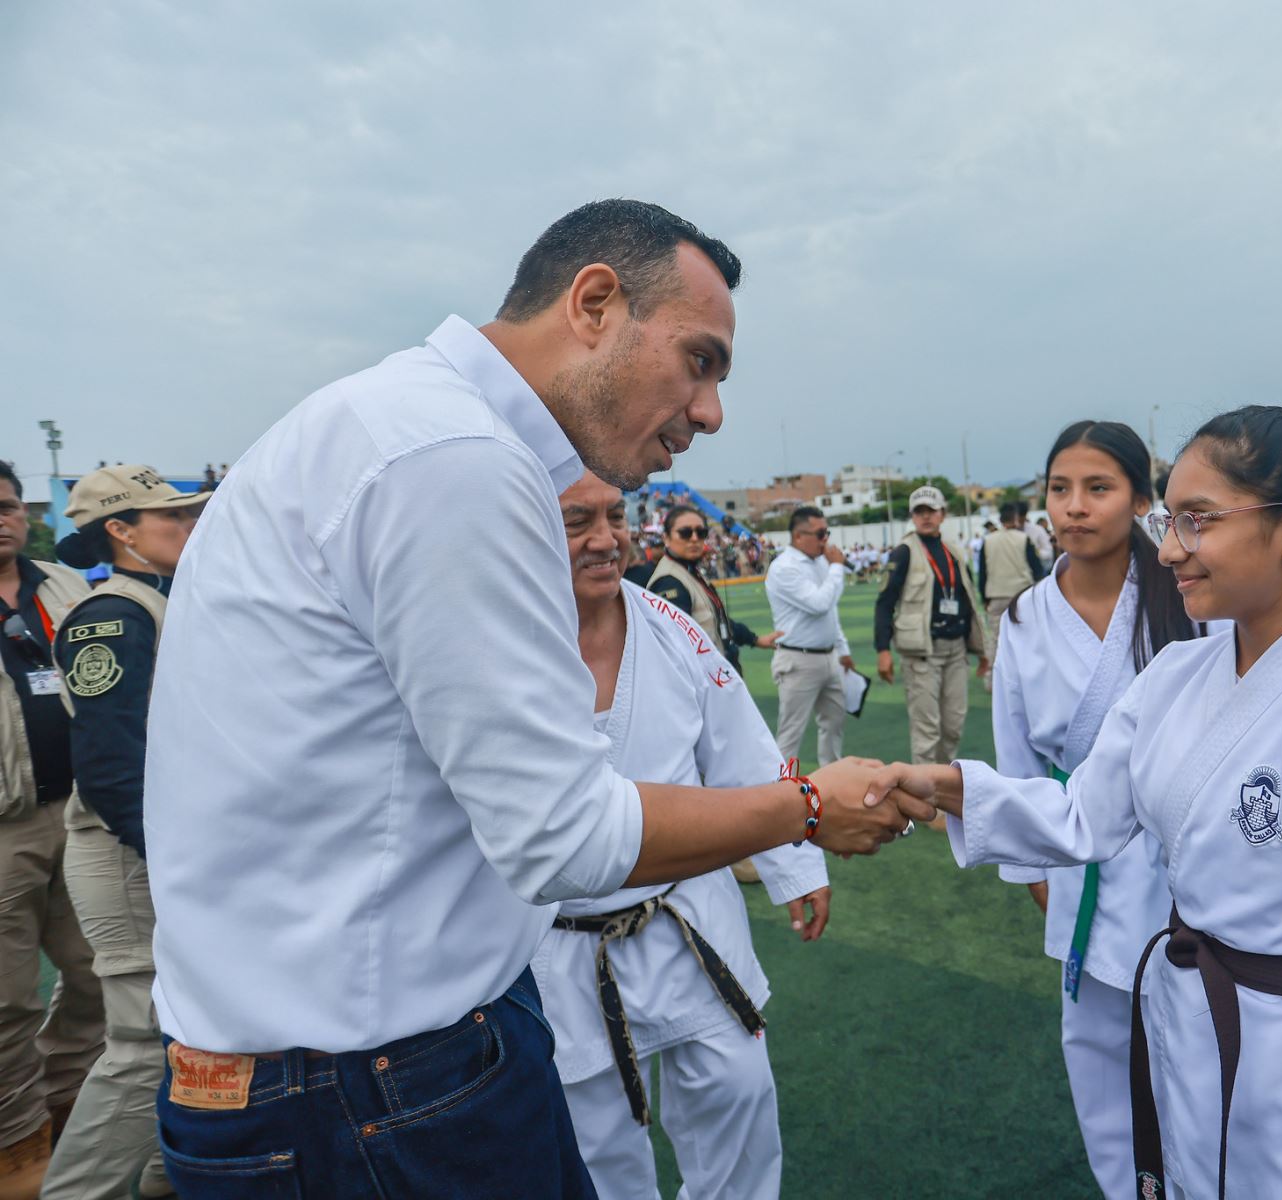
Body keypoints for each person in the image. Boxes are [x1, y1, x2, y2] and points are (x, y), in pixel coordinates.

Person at [141, 199, 924, 1198]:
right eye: (699, 360)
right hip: (370, 1085)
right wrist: (806, 808)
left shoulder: (394, 426)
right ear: (594, 302)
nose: (712, 410)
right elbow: (563, 837)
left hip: (354, 1058)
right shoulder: (449, 457)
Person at [877, 405, 1282, 1200]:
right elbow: (1085, 816)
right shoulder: (1176, 678)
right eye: (1169, 519)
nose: (1170, 547)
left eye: (1198, 520)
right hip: (1193, 1027)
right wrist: (947, 787)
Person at [536, 473, 827, 1199]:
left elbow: (743, 754)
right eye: (578, 521)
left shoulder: (673, 629)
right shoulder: (500, 645)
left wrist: (797, 867)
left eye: (614, 517)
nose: (606, 539)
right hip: (557, 942)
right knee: (596, 1145)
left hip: (688, 916)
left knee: (740, 1095)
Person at [989, 422, 1198, 1196]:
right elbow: (1016, 753)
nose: (1074, 507)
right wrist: (1029, 860)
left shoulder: (1187, 597)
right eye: (1059, 488)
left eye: (1099, 488)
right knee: (1101, 1049)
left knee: (1196, 1041)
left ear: (1143, 501)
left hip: (1184, 848)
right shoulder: (1022, 618)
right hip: (1079, 852)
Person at [40, 467, 205, 1200]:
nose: (190, 524)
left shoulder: (172, 600)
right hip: (130, 848)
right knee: (143, 1042)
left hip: (168, 842)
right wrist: (179, 859)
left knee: (190, 1033)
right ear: (121, 530)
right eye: (171, 514)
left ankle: (167, 1184)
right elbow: (111, 767)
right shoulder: (113, 614)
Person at [0, 461, 101, 1200]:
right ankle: (17, 1143)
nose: (3, 518)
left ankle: (68, 1108)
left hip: (77, 809)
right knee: (7, 1001)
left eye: (7, 506)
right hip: (4, 827)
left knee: (98, 972)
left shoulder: (59, 586)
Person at [874, 486, 989, 766]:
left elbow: (969, 601)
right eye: (919, 512)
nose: (925, 517)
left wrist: (982, 648)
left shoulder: (954, 551)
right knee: (927, 732)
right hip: (922, 653)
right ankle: (924, 802)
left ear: (943, 514)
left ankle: (940, 791)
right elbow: (884, 602)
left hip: (956, 650)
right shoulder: (903, 552)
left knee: (953, 727)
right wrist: (883, 650)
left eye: (931, 511)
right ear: (912, 516)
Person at [763, 506, 853, 766]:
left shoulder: (821, 562)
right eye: (820, 533)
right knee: (791, 733)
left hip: (828, 656)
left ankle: (833, 782)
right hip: (798, 659)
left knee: (834, 725)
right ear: (798, 536)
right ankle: (779, 791)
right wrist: (837, 567)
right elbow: (819, 604)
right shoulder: (784, 567)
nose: (826, 539)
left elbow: (830, 610)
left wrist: (843, 649)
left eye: (827, 532)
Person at [647, 504, 779, 671]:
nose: (694, 538)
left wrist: (755, 639)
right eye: (685, 533)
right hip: (705, 686)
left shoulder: (688, 570)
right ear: (666, 538)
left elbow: (715, 621)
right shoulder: (669, 581)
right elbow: (675, 649)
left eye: (701, 533)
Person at [975, 501, 1045, 674]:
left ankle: (992, 678)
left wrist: (985, 598)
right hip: (1022, 596)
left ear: (1000, 519)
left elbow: (983, 573)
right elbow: (1037, 570)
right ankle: (1026, 676)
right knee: (1026, 638)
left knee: (996, 640)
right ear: (1016, 518)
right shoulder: (1023, 539)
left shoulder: (988, 541)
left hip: (996, 595)